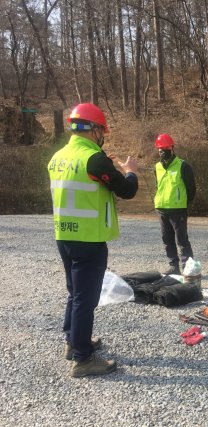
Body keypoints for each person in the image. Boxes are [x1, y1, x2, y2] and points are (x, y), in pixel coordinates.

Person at [48, 103, 138, 377]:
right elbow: (127, 190)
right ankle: (83, 360)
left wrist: (105, 165)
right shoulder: (95, 159)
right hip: (89, 239)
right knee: (85, 300)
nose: (103, 136)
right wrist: (131, 170)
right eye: (102, 131)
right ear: (95, 129)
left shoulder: (58, 157)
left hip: (64, 235)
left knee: (75, 293)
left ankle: (73, 342)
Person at [154, 134, 196, 275]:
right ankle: (173, 265)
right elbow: (158, 186)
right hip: (161, 209)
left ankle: (188, 267)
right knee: (167, 240)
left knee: (182, 240)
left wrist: (182, 202)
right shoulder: (157, 167)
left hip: (178, 210)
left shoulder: (183, 166)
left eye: (165, 148)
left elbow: (191, 189)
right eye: (160, 149)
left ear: (172, 148)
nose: (163, 151)